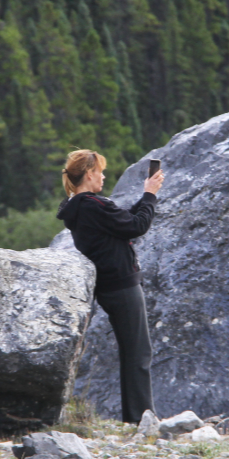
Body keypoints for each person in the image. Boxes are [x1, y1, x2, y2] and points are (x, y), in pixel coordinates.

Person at [57, 149, 165, 424]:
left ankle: (137, 417)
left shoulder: (80, 207)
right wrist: (150, 194)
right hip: (122, 285)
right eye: (100, 172)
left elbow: (122, 222)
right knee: (139, 352)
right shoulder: (94, 205)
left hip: (107, 284)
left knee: (133, 352)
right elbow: (137, 225)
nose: (103, 177)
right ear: (90, 173)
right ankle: (142, 418)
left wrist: (144, 197)